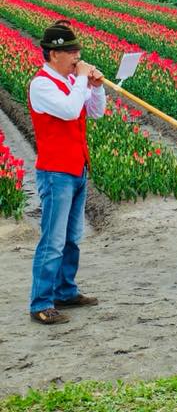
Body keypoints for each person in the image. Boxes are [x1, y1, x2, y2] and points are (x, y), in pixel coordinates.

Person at [28, 22, 106, 324]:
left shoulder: (70, 82)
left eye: (77, 50)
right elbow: (70, 110)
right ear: (53, 54)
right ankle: (41, 303)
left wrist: (95, 88)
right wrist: (82, 81)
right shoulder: (42, 84)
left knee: (72, 236)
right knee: (53, 239)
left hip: (77, 167)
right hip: (55, 172)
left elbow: (94, 111)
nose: (77, 56)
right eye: (71, 51)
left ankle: (65, 290)